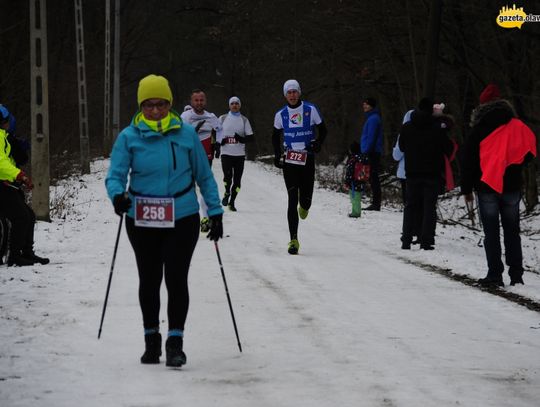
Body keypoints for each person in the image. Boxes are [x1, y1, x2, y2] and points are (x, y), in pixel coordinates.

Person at [105, 74, 224, 367]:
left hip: (182, 215)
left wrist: (216, 212)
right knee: (149, 278)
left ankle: (175, 342)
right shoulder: (128, 137)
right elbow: (116, 175)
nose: (155, 111)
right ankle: (151, 340)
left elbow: (204, 176)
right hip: (142, 216)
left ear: (170, 104)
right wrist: (117, 195)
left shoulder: (185, 135)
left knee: (175, 277)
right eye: (148, 105)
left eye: (160, 104)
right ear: (140, 106)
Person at [461, 84, 536, 287]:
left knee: (491, 232)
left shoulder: (478, 129)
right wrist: (515, 165)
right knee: (513, 231)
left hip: (487, 186)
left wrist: (466, 188)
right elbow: (530, 148)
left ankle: (495, 274)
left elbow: (467, 161)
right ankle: (516, 275)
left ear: (482, 105)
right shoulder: (517, 126)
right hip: (512, 186)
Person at [272, 79, 327, 254]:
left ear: (299, 93)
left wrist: (318, 143)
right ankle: (293, 240)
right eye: (289, 92)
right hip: (290, 159)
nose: (292, 95)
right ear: (285, 95)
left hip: (307, 158)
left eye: (295, 92)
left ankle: (305, 206)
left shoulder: (310, 110)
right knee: (291, 200)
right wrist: (276, 155)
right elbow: (275, 136)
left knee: (305, 201)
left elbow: (323, 129)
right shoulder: (281, 114)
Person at [399, 97, 453, 250]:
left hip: (412, 172)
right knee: (429, 207)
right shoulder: (437, 128)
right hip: (432, 173)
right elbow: (448, 149)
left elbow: (402, 147)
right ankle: (426, 240)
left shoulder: (407, 127)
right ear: (432, 111)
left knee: (410, 205)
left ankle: (406, 239)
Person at [0, 106, 49, 266]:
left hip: (8, 184)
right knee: (21, 217)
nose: (9, 124)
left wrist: (18, 177)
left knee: (29, 215)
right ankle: (14, 257)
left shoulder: (4, 137)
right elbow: (1, 163)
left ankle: (26, 252)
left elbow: (9, 161)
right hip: (2, 186)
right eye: (7, 121)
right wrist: (19, 175)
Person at [180, 89, 222, 232]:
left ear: (205, 101)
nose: (199, 103)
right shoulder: (185, 116)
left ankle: (205, 218)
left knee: (204, 186)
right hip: (188, 156)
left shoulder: (211, 117)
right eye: (196, 100)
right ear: (191, 102)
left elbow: (220, 129)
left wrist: (217, 144)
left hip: (205, 156)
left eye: (201, 100)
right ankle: (189, 217)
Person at [218, 96, 254, 211]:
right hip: (226, 153)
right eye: (232, 103)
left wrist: (241, 139)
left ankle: (232, 202)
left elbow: (251, 137)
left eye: (237, 103)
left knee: (237, 181)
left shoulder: (244, 120)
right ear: (229, 105)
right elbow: (215, 132)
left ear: (240, 105)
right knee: (227, 177)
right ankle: (227, 192)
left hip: (239, 155)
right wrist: (220, 141)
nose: (234, 105)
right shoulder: (222, 118)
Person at [359, 97, 383, 211]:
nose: (364, 106)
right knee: (371, 177)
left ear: (372, 106)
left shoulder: (373, 119)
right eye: (364, 103)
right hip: (370, 151)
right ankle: (374, 202)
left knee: (373, 177)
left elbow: (371, 137)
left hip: (372, 152)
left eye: (367, 104)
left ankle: (376, 203)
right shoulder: (372, 118)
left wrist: (367, 151)